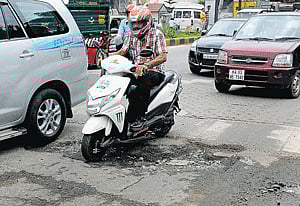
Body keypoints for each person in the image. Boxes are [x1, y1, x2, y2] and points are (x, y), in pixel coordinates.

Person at [117, 7, 168, 131]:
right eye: (133, 24)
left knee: (140, 83)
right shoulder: (130, 36)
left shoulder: (157, 34)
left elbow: (163, 56)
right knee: (119, 82)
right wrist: (109, 59)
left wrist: (147, 65)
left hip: (154, 71)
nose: (136, 26)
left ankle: (140, 117)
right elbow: (122, 51)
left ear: (147, 22)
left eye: (139, 23)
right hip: (134, 70)